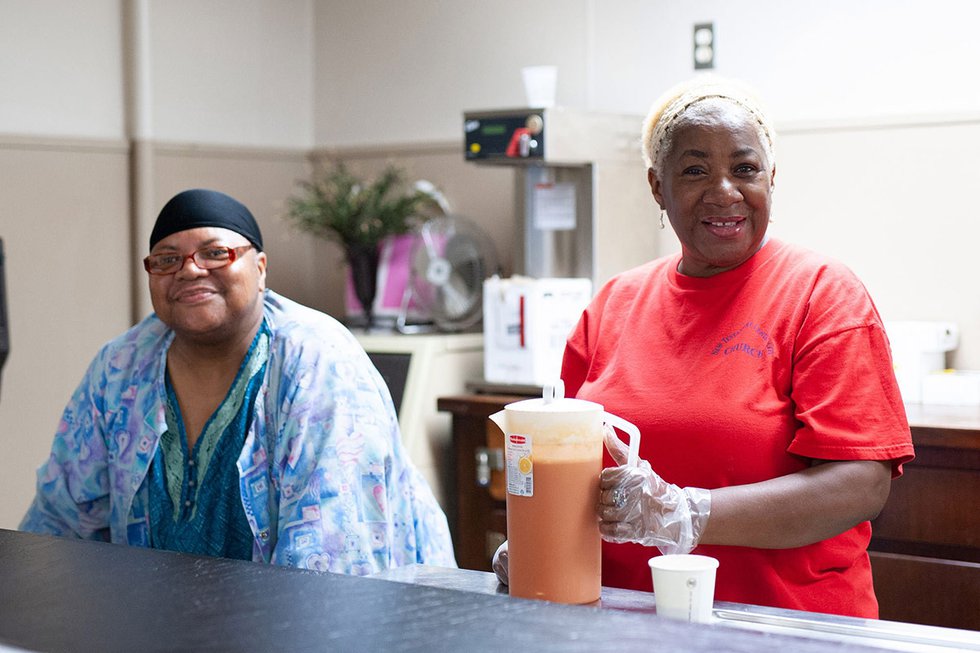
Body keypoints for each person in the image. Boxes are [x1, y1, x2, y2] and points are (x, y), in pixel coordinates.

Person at [498, 77, 914, 619]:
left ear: (771, 178)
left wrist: (686, 512)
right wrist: (539, 538)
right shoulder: (614, 306)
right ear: (657, 187)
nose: (724, 191)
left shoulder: (822, 295)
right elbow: (569, 463)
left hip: (787, 627)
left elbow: (860, 485)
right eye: (694, 170)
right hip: (627, 623)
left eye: (745, 169)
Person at [20, 188, 456, 574]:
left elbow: (330, 563)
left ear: (261, 267)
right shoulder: (119, 369)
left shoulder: (317, 363)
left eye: (215, 253)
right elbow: (60, 521)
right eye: (167, 260)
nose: (189, 271)